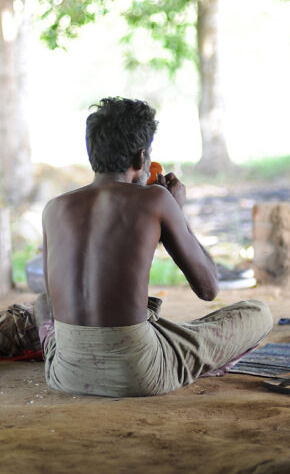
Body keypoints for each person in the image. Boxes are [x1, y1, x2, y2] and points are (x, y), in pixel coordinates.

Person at [33, 97, 273, 397]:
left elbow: (54, 304)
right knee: (258, 312)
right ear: (141, 158)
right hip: (138, 373)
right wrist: (176, 213)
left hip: (65, 371)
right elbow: (209, 288)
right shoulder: (155, 200)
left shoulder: (54, 208)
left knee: (41, 303)